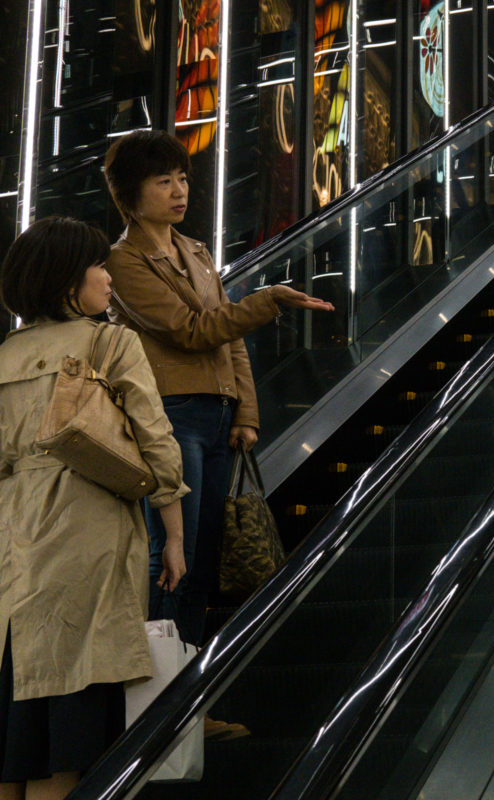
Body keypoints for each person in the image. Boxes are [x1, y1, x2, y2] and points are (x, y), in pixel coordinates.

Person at [102, 132, 333, 701]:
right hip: (169, 418)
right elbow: (192, 331)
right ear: (132, 196)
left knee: (202, 563)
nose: (180, 190)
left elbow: (229, 345)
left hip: (214, 416)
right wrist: (269, 299)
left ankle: (187, 706)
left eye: (182, 178)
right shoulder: (124, 261)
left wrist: (246, 413)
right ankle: (152, 707)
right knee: (171, 562)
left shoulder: (197, 252)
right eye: (164, 181)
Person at [0, 217, 188, 800]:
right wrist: (175, 534)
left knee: (15, 742)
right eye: (99, 267)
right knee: (68, 743)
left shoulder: (5, 354)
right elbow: (155, 441)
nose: (109, 279)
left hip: (13, 545)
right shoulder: (110, 342)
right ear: (66, 282)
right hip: (88, 536)